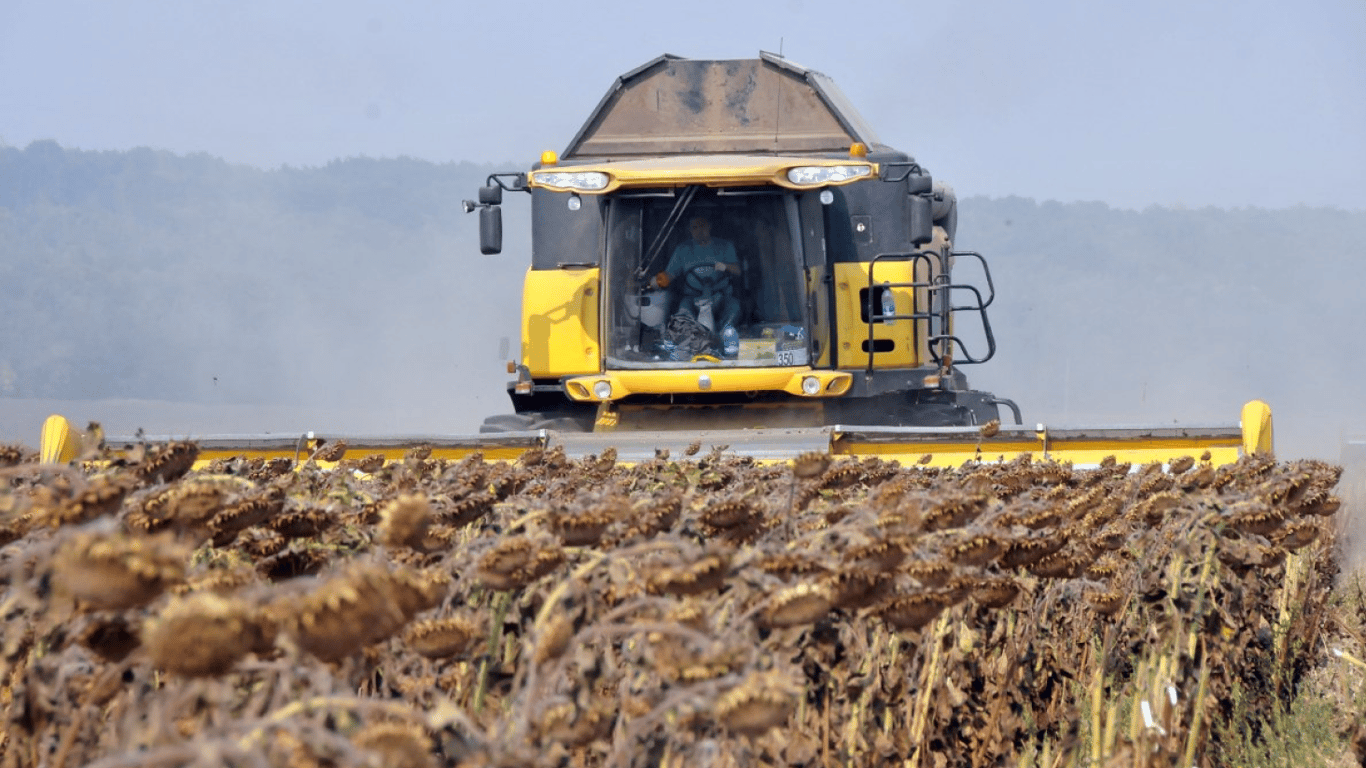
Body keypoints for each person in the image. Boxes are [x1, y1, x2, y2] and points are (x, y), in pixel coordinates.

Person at [655, 216, 741, 334]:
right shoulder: (682, 249)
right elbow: (670, 274)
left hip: (720, 296)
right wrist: (657, 281)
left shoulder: (725, 246)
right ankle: (691, 339)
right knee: (683, 311)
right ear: (689, 230)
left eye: (702, 226)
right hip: (692, 297)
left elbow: (737, 270)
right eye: (695, 227)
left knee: (734, 307)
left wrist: (725, 266)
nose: (699, 230)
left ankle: (725, 336)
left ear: (709, 226)